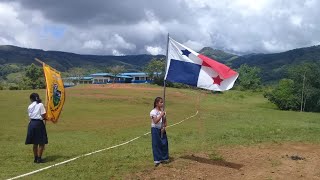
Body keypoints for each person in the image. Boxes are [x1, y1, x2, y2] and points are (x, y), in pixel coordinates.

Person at [25, 93, 48, 163]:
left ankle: (35, 158)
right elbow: (43, 115)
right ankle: (39, 158)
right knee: (41, 142)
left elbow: (30, 116)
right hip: (38, 123)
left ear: (31, 99)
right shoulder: (40, 104)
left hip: (31, 124)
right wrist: (46, 117)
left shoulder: (29, 106)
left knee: (35, 142)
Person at [150, 97, 169, 167]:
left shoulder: (163, 111)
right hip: (155, 129)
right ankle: (157, 160)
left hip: (162, 129)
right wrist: (161, 115)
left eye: (162, 102)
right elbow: (155, 121)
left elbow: (165, 122)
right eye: (161, 102)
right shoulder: (153, 112)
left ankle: (164, 158)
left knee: (164, 143)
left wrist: (164, 127)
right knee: (156, 144)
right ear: (156, 103)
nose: (162, 103)